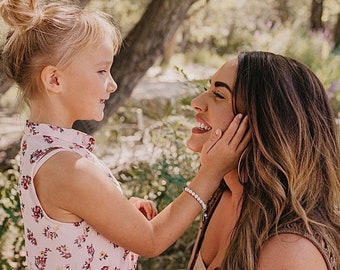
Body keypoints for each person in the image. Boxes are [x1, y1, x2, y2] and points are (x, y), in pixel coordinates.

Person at [0, 0, 251, 269]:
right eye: (101, 70)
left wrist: (121, 218)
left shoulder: (43, 148)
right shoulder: (68, 167)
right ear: (55, 80)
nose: (113, 83)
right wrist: (209, 173)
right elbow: (152, 241)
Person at [186, 51, 340, 270]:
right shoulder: (222, 195)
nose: (196, 102)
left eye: (219, 95)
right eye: (207, 90)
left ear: (265, 124)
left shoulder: (291, 250)